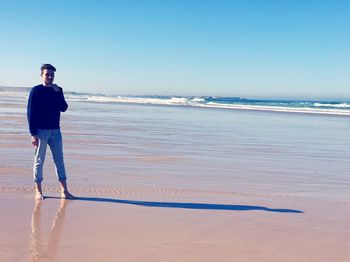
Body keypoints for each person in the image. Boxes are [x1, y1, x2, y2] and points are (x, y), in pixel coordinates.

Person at [27, 64, 74, 200]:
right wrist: (33, 133)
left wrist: (57, 93)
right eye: (47, 74)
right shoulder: (36, 91)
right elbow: (30, 113)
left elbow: (64, 108)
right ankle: (38, 191)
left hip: (56, 131)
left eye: (52, 74)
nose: (50, 76)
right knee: (39, 161)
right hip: (40, 132)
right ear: (41, 75)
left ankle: (64, 191)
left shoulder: (58, 90)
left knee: (59, 161)